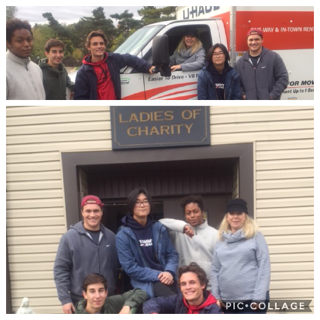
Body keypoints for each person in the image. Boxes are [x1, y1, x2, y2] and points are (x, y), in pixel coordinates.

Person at [53, 195, 118, 314]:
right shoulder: (69, 238)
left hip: (107, 301)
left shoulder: (111, 237)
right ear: (82, 212)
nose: (92, 215)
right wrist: (65, 299)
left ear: (101, 212)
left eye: (96, 211)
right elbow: (60, 270)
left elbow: (115, 268)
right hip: (80, 302)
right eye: (88, 211)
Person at [116, 187, 179, 298]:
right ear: (131, 206)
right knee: (173, 300)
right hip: (145, 282)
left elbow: (172, 254)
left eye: (145, 201)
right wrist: (159, 275)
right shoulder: (123, 234)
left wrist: (169, 271)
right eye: (138, 202)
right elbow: (130, 267)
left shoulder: (159, 229)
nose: (142, 205)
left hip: (167, 277)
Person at [210, 198, 270, 314]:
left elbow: (264, 266)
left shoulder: (256, 236)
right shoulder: (220, 240)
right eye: (231, 213)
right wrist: (216, 296)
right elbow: (215, 269)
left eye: (239, 213)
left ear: (245, 216)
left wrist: (259, 297)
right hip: (227, 301)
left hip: (251, 300)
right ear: (227, 217)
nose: (235, 217)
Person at [159, 195, 218, 291]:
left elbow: (219, 265)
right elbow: (160, 222)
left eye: (195, 211)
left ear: (202, 212)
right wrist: (182, 226)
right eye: (188, 213)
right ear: (185, 216)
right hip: (185, 288)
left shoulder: (216, 234)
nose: (192, 215)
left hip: (208, 289)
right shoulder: (178, 232)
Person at [74, 29, 154, 100]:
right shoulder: (83, 72)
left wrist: (148, 67)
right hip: (98, 111)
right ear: (88, 47)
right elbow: (80, 98)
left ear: (105, 45)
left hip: (114, 109)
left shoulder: (112, 59)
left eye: (101, 43)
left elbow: (130, 58)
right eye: (95, 44)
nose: (99, 46)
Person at [143, 262, 222, 314]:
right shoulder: (178, 300)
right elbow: (151, 303)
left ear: (202, 285)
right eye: (183, 284)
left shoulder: (213, 311)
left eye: (192, 282)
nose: (187, 287)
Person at [235, 28, 289, 100]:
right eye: (250, 40)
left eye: (257, 39)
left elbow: (283, 78)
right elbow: (236, 83)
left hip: (270, 105)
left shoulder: (273, 57)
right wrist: (244, 95)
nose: (253, 42)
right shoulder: (240, 62)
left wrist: (272, 96)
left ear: (262, 40)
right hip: (250, 106)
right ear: (247, 41)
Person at [6, 18, 45, 100]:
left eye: (29, 39)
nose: (27, 44)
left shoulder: (36, 68)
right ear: (8, 43)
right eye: (20, 40)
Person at [75, 273, 148, 314]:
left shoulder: (111, 302)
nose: (97, 296)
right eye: (92, 291)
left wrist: (128, 305)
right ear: (85, 294)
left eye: (100, 290)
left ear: (106, 292)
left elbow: (140, 292)